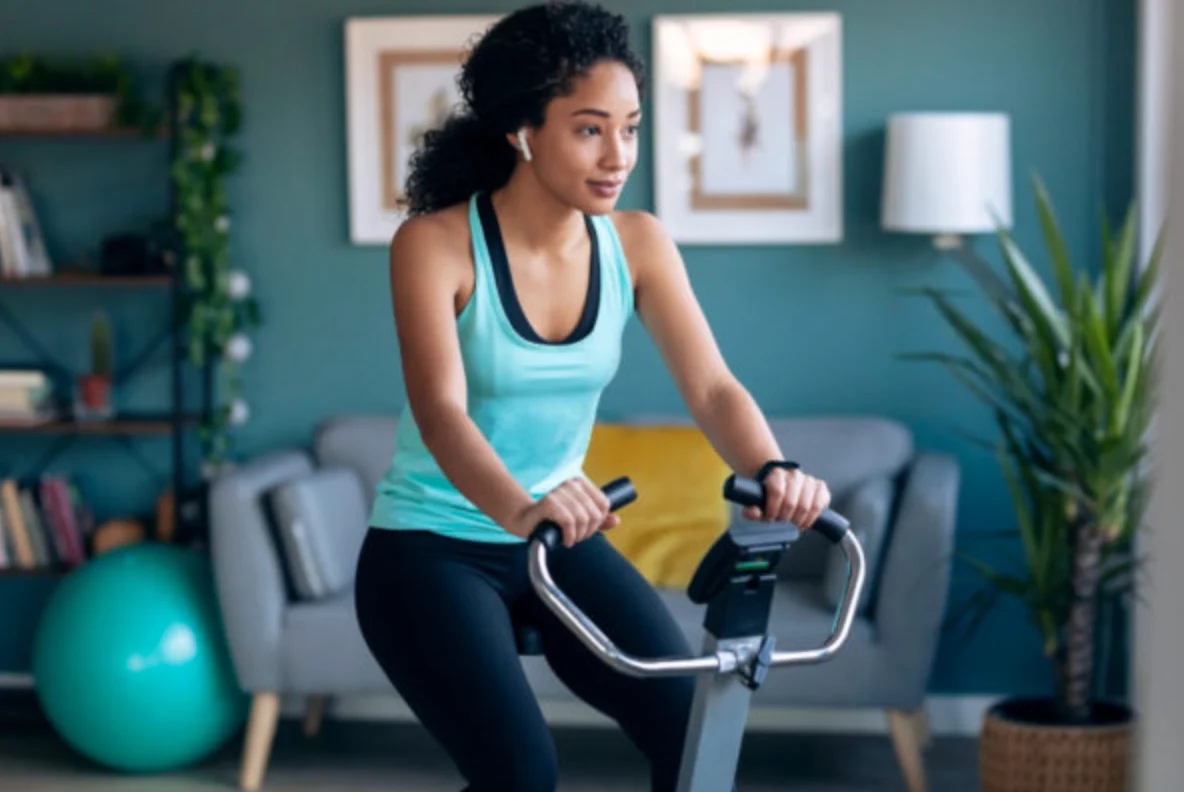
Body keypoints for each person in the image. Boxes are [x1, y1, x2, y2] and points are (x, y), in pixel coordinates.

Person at [353, 2, 832, 790]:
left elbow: (712, 388)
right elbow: (441, 413)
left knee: (691, 733)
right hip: (430, 550)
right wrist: (519, 511)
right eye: (589, 129)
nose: (619, 156)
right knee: (520, 772)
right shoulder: (434, 245)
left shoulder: (636, 243)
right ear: (523, 131)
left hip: (560, 541)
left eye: (632, 128)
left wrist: (776, 468)